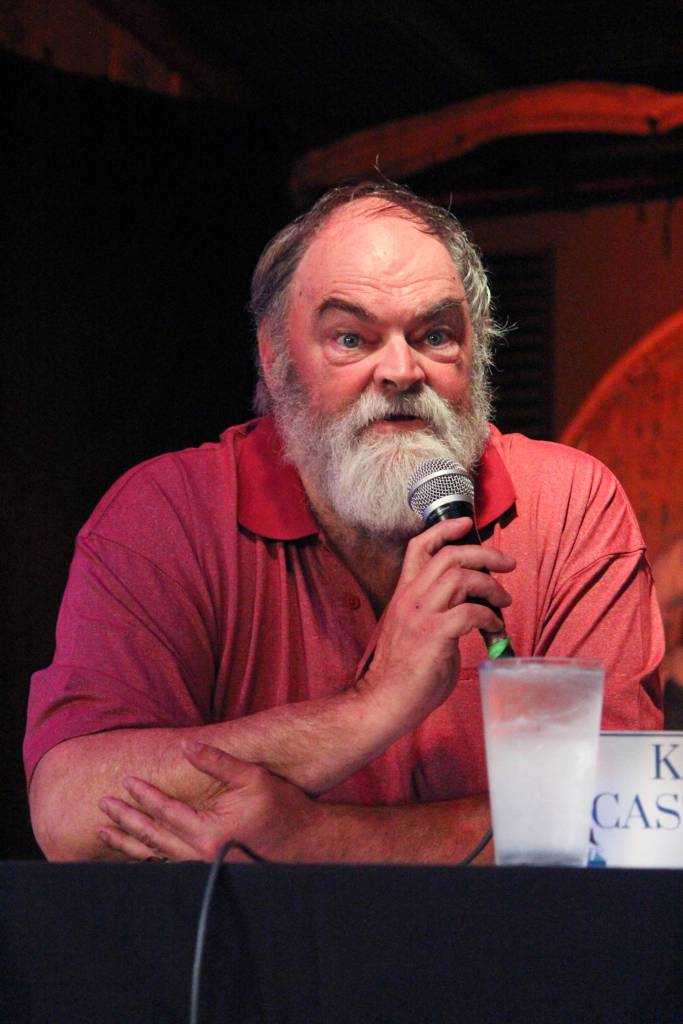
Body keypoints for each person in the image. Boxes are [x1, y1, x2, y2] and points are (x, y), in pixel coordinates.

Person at [24, 181, 664, 864]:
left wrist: (319, 840)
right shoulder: (167, 512)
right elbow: (68, 813)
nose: (399, 370)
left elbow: (623, 825)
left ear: (474, 355)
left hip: (503, 964)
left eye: (435, 335)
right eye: (352, 337)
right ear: (274, 360)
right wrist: (370, 708)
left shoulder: (567, 502)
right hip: (249, 967)